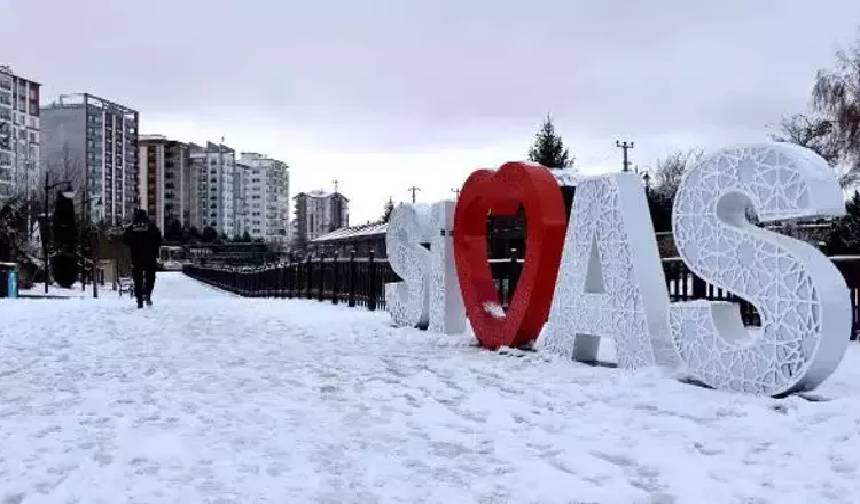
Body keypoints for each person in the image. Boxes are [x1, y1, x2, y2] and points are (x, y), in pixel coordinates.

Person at [123, 209, 162, 308]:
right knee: (150, 278)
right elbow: (159, 240)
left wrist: (134, 243)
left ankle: (139, 299)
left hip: (136, 258)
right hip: (150, 258)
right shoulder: (152, 227)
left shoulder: (131, 229)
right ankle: (148, 294)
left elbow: (125, 240)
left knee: (137, 280)